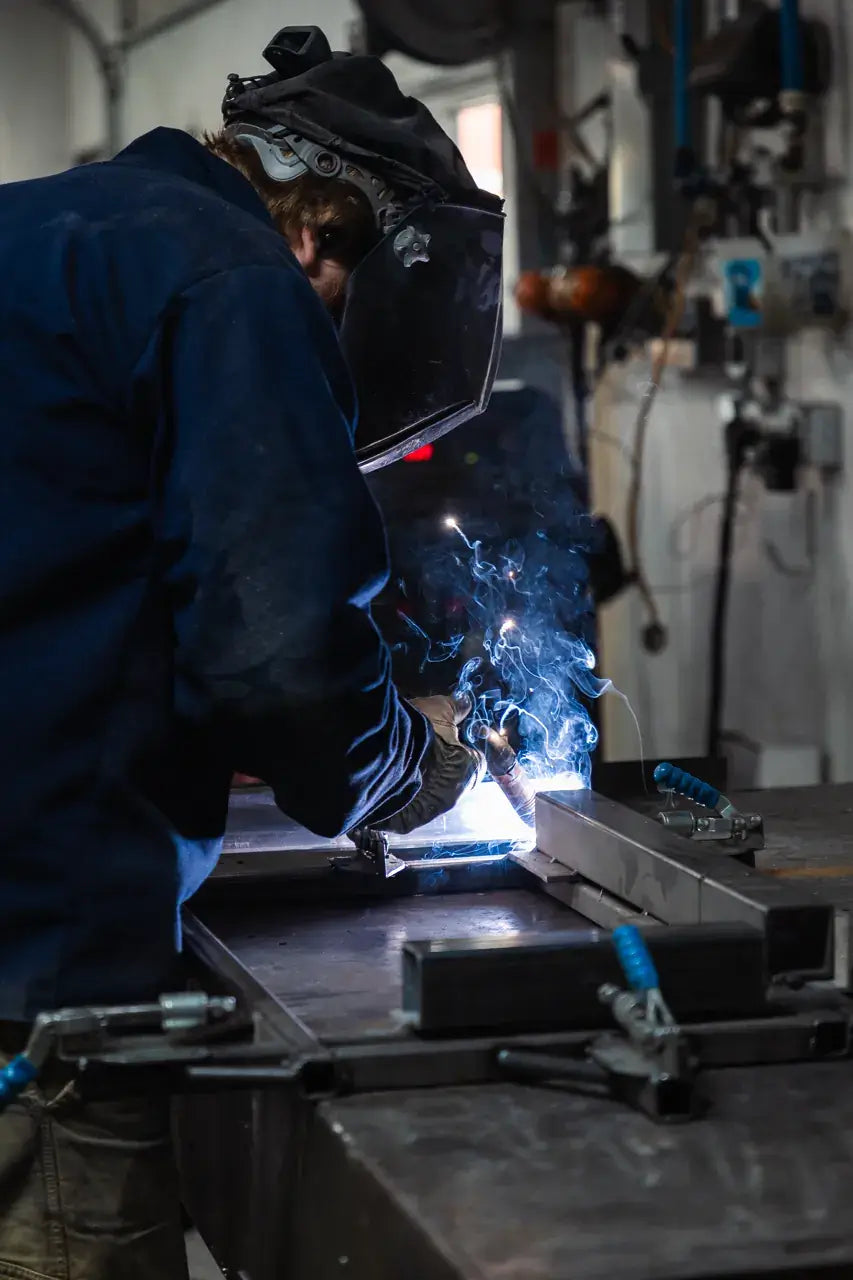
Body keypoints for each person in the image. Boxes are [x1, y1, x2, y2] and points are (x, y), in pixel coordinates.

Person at [0, 25, 503, 1279]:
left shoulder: (43, 234)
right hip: (39, 979)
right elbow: (276, 663)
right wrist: (400, 768)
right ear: (323, 234)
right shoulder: (233, 278)